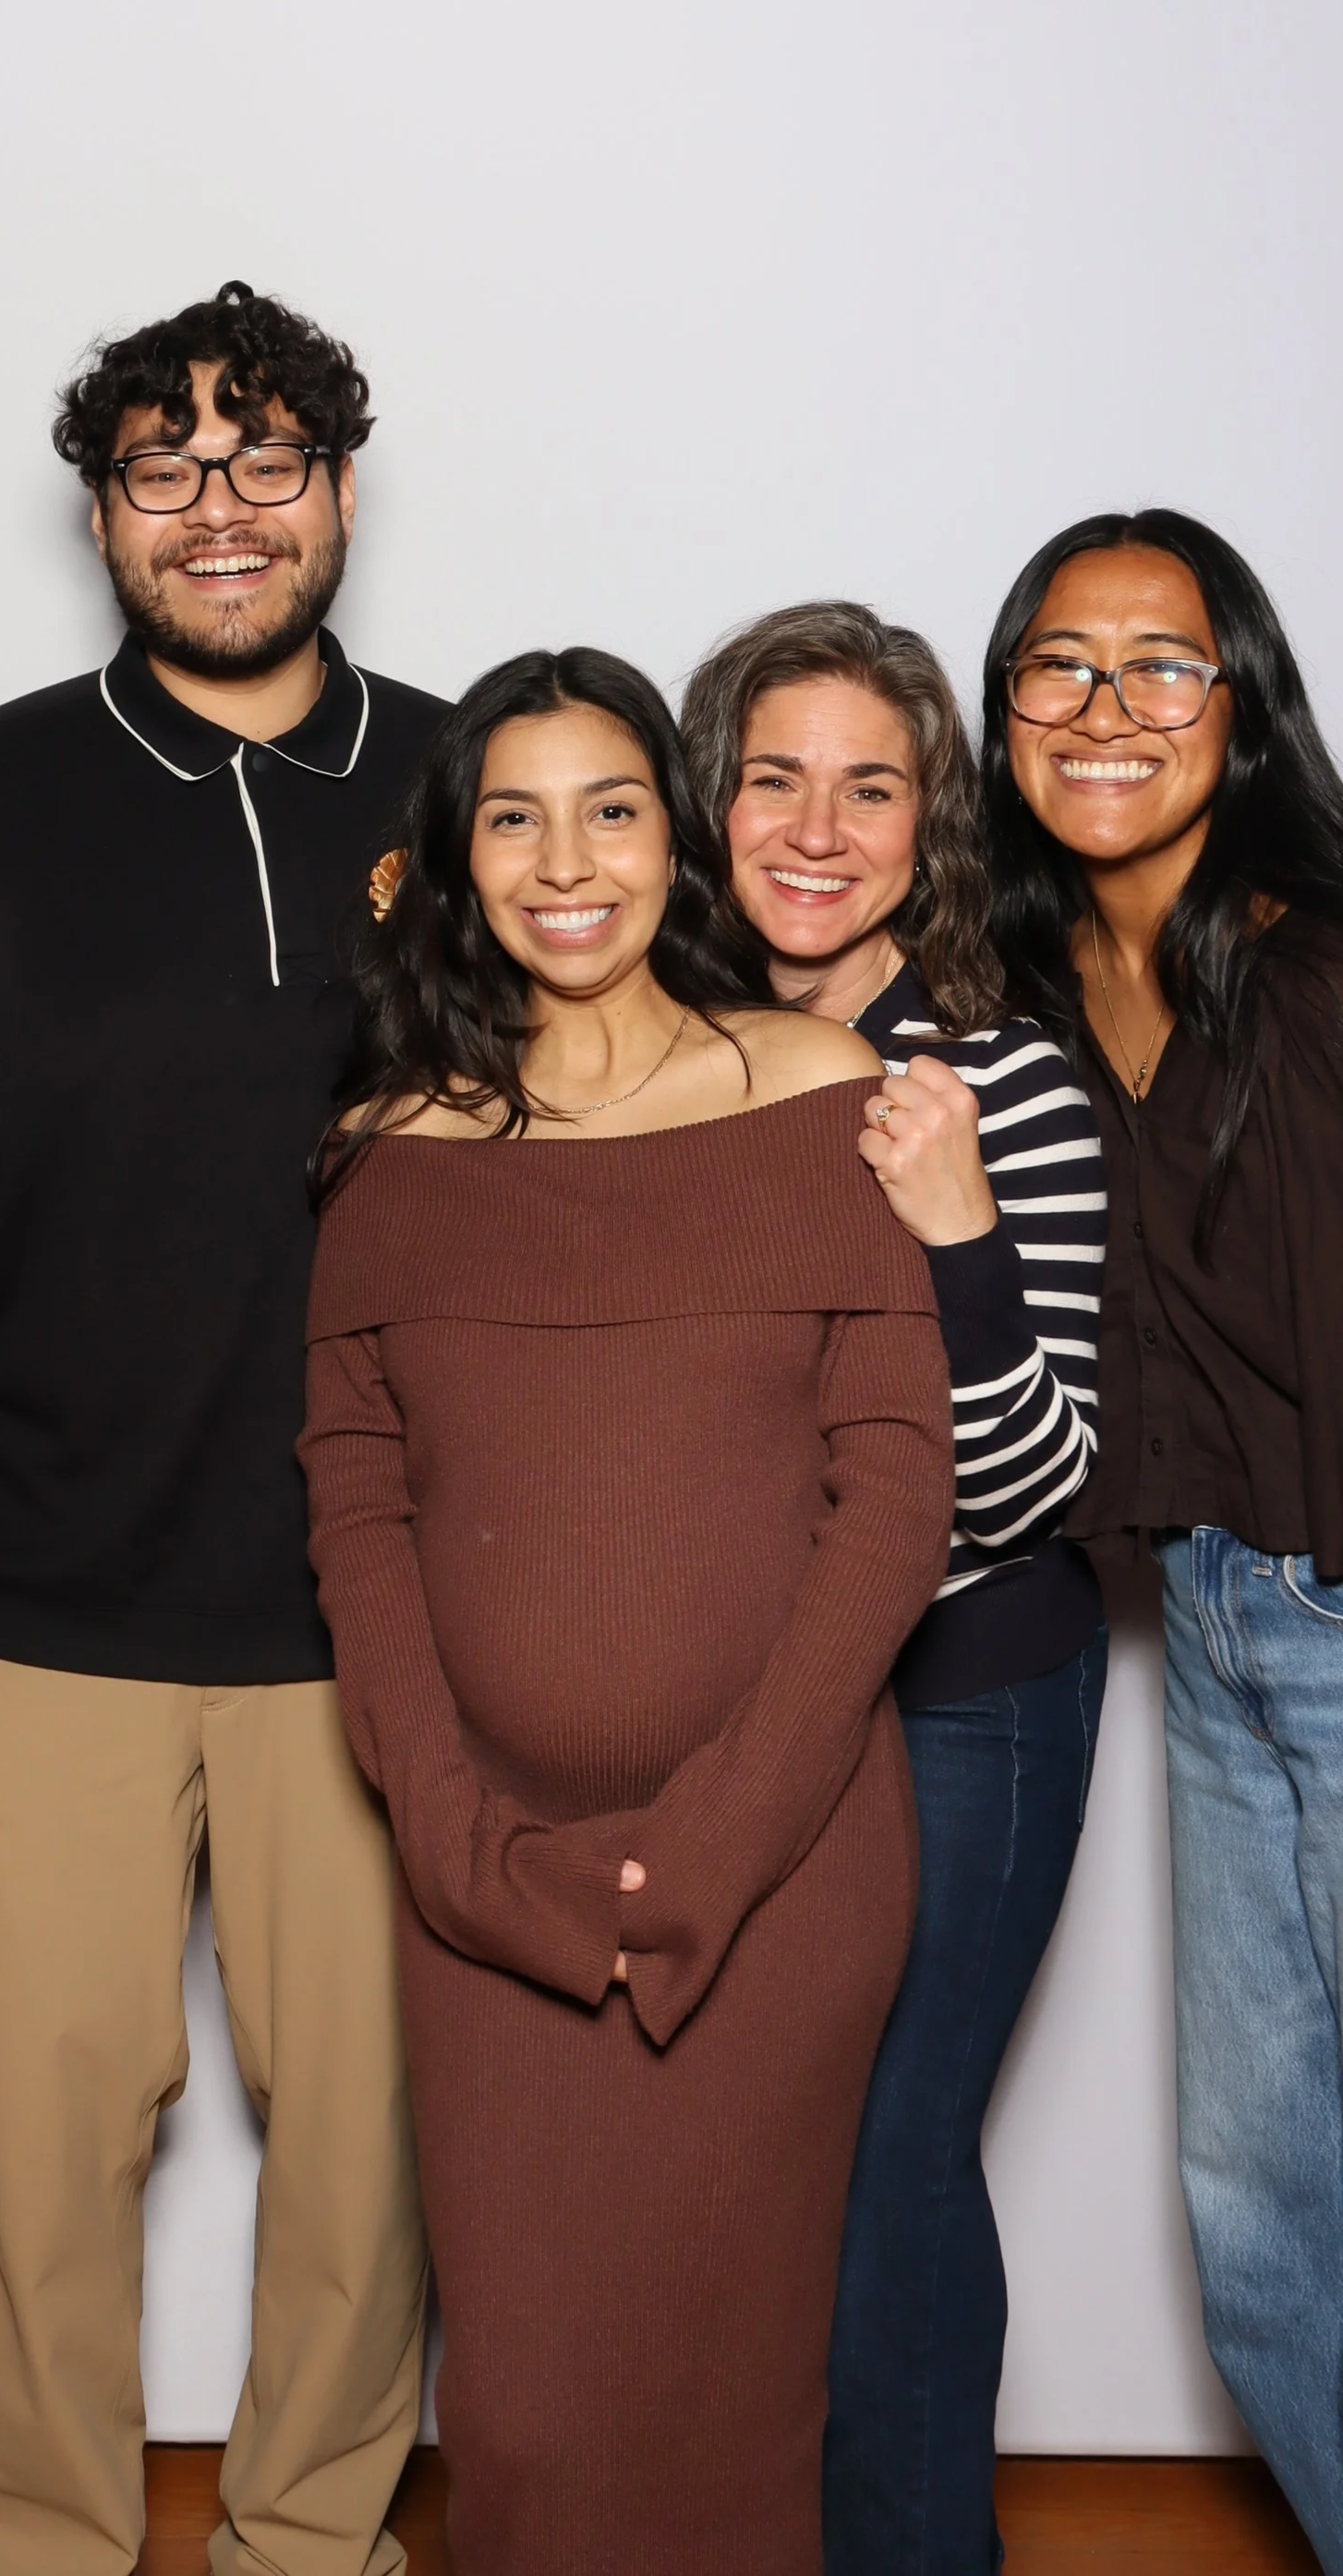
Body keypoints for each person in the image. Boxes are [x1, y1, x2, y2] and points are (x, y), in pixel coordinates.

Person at [0, 283, 442, 2576]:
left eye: (268, 461)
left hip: (376, 1633)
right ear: (99, 514)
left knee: (367, 2170)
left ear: (342, 490)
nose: (222, 511)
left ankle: (309, 2553)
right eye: (167, 469)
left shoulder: (475, 794)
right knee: (39, 2180)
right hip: (26, 1636)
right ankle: (46, 2551)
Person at [298, 646, 954, 2576]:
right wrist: (447, 1828)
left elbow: (893, 1492)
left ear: (677, 840)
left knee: (737, 2400)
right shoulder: (391, 1152)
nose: (561, 859)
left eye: (609, 807)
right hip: (486, 1878)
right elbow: (353, 1508)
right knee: (522, 2406)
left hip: (786, 1872)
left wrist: (715, 1843)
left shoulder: (819, 1098)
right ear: (456, 857)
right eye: (511, 814)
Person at [682, 601, 1107, 2575]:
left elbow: (1039, 1479)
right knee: (749, 2167)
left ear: (931, 823)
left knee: (886, 2169)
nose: (816, 826)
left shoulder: (1002, 1075)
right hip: (745, 1697)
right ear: (711, 797)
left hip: (961, 1692)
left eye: (871, 784)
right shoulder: (665, 1062)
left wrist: (954, 1235)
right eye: (774, 776)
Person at [981, 509, 1343, 2571]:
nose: (1106, 708)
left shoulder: (1317, 961)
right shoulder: (1031, 974)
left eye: (1163, 665)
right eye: (1059, 663)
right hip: (1215, 1613)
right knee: (1256, 2206)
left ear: (1243, 701)